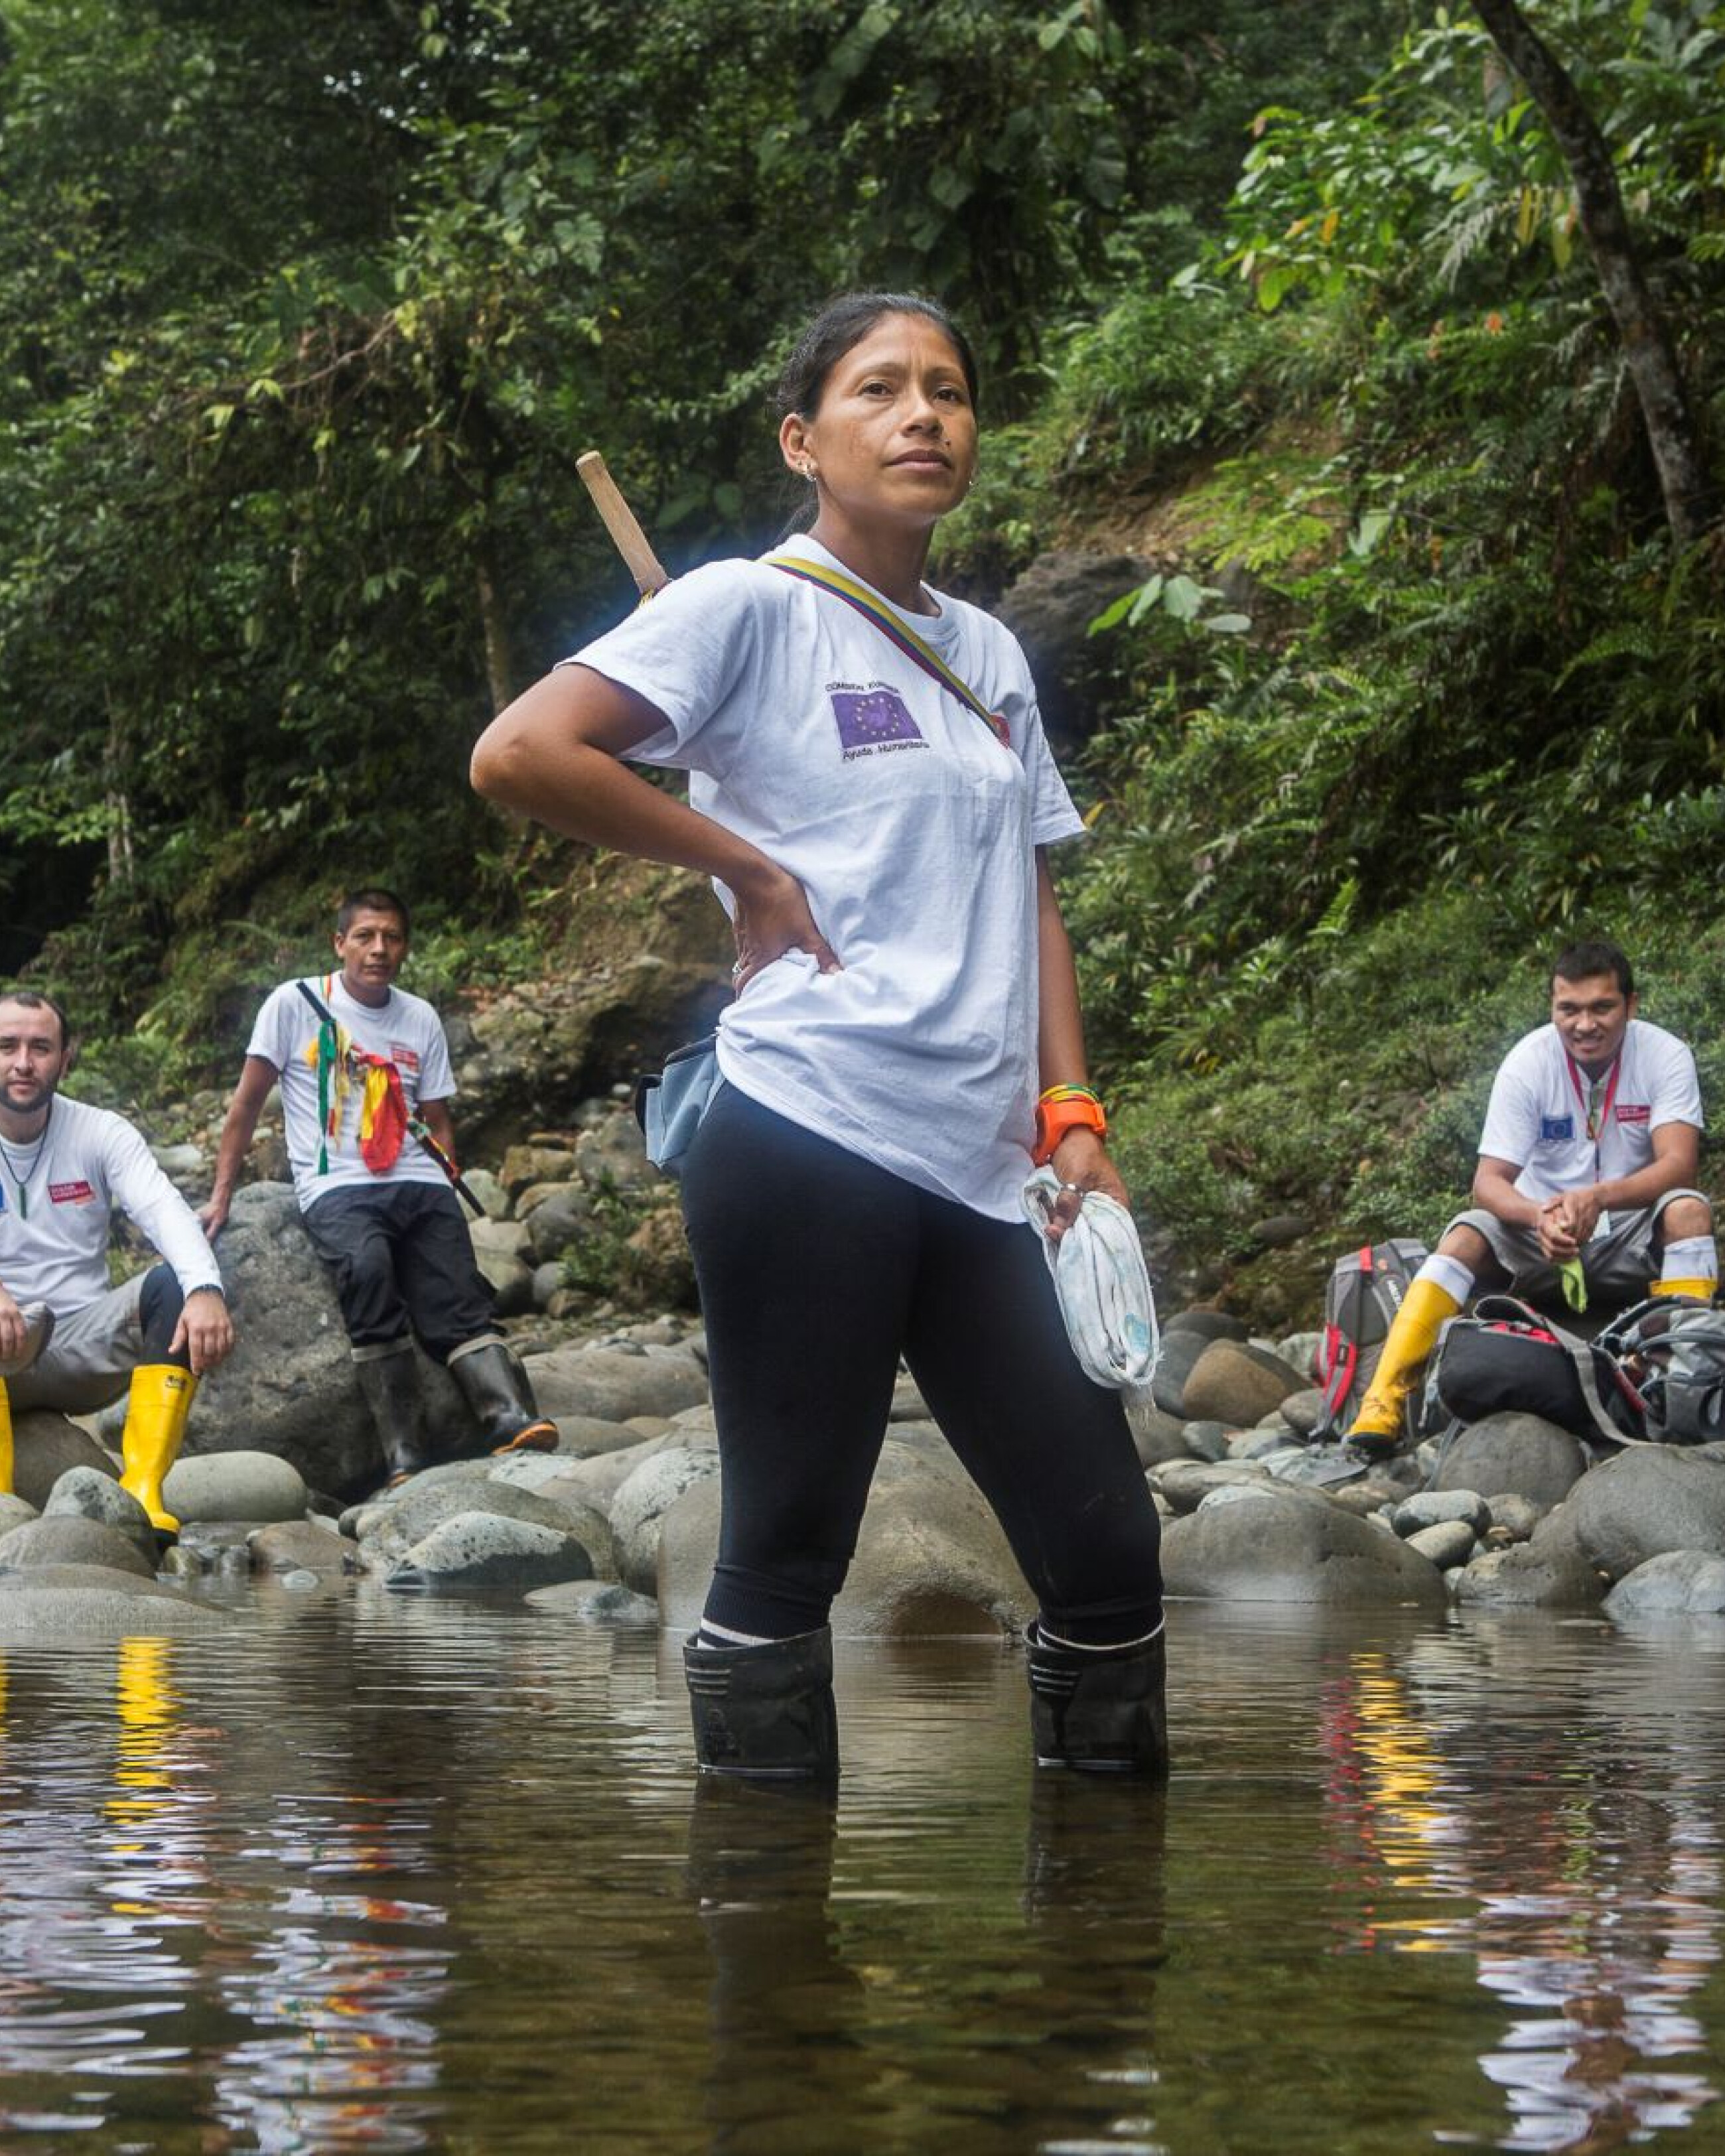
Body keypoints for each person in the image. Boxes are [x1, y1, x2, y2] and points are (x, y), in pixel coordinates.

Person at [469, 291, 1166, 1782]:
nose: (923, 415)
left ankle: (1104, 1926)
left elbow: (1032, 891)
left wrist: (1073, 1109)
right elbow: (521, 751)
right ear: (803, 440)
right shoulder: (746, 607)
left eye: (948, 390)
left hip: (985, 1164)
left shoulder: (990, 653)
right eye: (880, 389)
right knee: (790, 1544)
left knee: (1109, 1551)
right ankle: (763, 1921)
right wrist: (746, 865)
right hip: (808, 1127)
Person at [202, 889, 555, 1486]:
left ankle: (507, 1416)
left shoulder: (419, 1017)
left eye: (391, 937)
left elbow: (437, 1117)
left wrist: (446, 1185)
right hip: (339, 1183)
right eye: (365, 936)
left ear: (405, 947)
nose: (379, 949)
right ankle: (403, 1449)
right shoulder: (294, 1003)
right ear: (340, 943)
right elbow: (246, 1105)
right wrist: (222, 1194)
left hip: (418, 1180)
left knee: (458, 1295)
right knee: (367, 1272)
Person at [1347, 939, 1716, 1453]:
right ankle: (1383, 1402)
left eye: (1602, 1008)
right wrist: (1537, 1215)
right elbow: (1488, 1181)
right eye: (1569, 1009)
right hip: (1540, 1239)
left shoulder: (1664, 1055)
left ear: (1630, 1006)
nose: (1584, 1024)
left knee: (1689, 1211)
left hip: (1629, 1232)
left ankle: (1682, 1381)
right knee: (1464, 1235)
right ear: (1552, 1007)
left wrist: (1599, 1197)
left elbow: (1679, 1165)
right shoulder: (1528, 1061)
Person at [0, 988, 234, 1532]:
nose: (23, 1063)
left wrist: (205, 1289)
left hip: (82, 1346)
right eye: (7, 1046)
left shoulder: (100, 1131)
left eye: (40, 1048)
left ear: (65, 1059)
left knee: (176, 1286)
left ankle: (141, 1495)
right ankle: (5, 1512)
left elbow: (163, 1208)